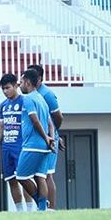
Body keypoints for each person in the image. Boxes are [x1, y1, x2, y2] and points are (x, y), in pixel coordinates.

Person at [16, 68, 55, 211]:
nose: (19, 86)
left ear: (27, 82)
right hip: (44, 145)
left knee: (21, 176)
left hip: (32, 144)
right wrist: (51, 139)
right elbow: (50, 123)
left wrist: (46, 137)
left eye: (20, 82)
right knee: (40, 176)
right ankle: (43, 208)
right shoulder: (41, 98)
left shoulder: (28, 98)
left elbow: (35, 120)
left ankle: (40, 202)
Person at [0, 74, 34, 212]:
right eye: (3, 89)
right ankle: (20, 211)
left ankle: (30, 210)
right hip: (6, 147)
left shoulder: (25, 101)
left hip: (20, 146)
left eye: (8, 88)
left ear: (16, 86)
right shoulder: (3, 105)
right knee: (11, 180)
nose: (5, 91)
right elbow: (2, 127)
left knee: (24, 178)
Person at [28, 64, 64, 209]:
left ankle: (51, 208)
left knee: (47, 174)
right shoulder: (31, 95)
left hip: (48, 138)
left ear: (39, 79)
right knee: (38, 175)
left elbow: (58, 117)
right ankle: (42, 206)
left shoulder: (47, 94)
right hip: (37, 139)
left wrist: (54, 134)